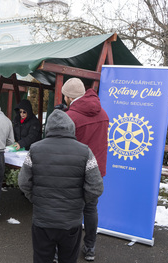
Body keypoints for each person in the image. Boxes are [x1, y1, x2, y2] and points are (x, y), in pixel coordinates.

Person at [18, 110, 104, 263]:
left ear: (47, 128)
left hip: (42, 221)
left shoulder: (35, 149)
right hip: (71, 222)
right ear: (71, 127)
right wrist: (78, 202)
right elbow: (96, 187)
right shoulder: (85, 152)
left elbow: (23, 182)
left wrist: (37, 199)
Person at [62, 77, 109, 261]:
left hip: (74, 172)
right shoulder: (103, 113)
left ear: (68, 96)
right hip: (96, 171)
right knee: (90, 210)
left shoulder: (70, 117)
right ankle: (90, 248)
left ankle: (66, 250)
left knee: (69, 211)